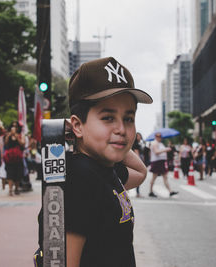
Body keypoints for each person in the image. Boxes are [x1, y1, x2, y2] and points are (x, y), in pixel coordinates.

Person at [55, 57, 151, 266]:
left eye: (128, 118)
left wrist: (113, 141)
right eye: (108, 117)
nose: (121, 129)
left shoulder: (104, 170)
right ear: (78, 125)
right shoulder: (79, 179)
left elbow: (141, 173)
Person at [148, 133, 178, 197]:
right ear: (155, 137)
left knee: (165, 177)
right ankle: (150, 191)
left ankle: (170, 191)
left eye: (160, 136)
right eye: (158, 136)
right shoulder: (154, 143)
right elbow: (156, 152)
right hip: (156, 162)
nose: (160, 137)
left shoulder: (160, 143)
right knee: (154, 177)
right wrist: (166, 149)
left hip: (161, 162)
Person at [4, 121, 25, 196]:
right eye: (13, 126)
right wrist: (9, 135)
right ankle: (10, 189)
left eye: (16, 126)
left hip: (18, 157)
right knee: (9, 173)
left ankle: (16, 188)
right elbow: (5, 143)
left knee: (18, 173)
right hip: (9, 157)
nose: (14, 128)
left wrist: (16, 137)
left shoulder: (20, 135)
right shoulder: (8, 135)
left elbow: (23, 144)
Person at [132, 132, 145, 197]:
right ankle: (137, 193)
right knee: (139, 177)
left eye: (139, 136)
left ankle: (137, 192)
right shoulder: (136, 144)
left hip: (139, 161)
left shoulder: (140, 143)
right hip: (137, 161)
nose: (139, 137)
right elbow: (137, 154)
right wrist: (140, 162)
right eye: (137, 136)